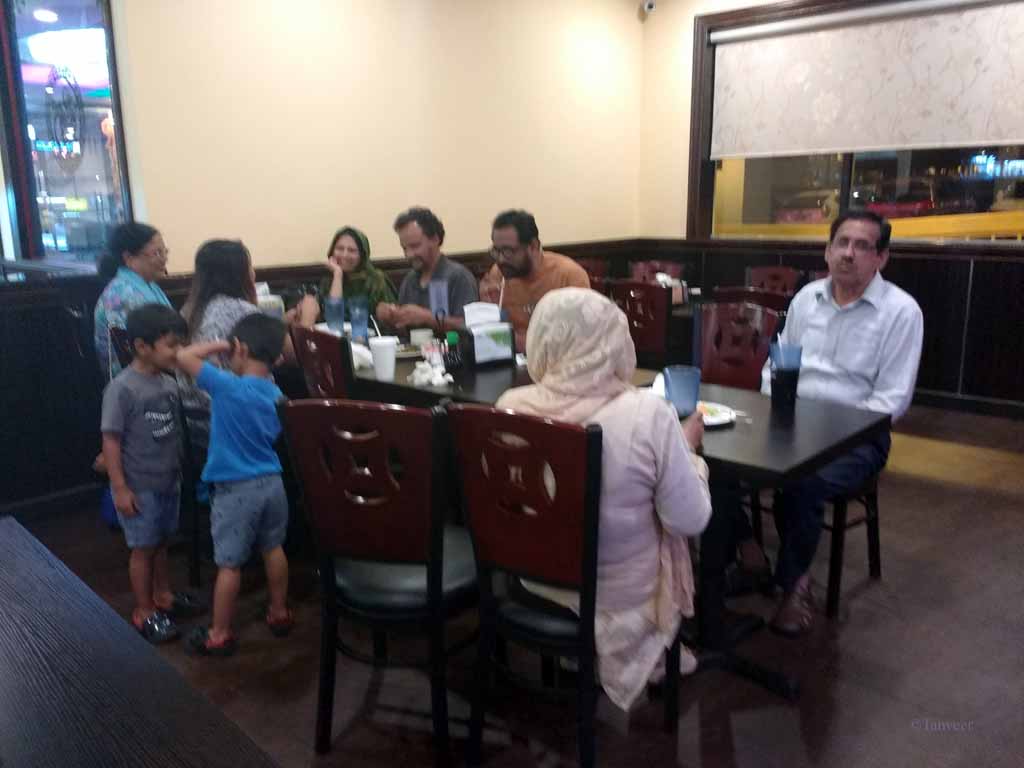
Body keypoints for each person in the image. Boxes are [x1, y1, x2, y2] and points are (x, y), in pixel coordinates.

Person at [496, 287, 711, 711]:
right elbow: (689, 519)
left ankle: (583, 656)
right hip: (617, 596)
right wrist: (688, 454)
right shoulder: (647, 414)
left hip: (531, 577)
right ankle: (640, 655)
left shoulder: (510, 406)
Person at [750, 210, 923, 636]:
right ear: (827, 251)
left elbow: (892, 400)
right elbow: (776, 365)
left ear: (881, 258)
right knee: (711, 456)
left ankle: (794, 584)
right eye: (841, 243)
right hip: (790, 421)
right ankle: (746, 553)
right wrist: (776, 409)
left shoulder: (901, 312)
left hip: (857, 438)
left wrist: (833, 430)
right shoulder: (807, 298)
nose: (849, 254)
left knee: (802, 481)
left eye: (862, 246)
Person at [177, 313, 293, 656]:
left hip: (235, 490)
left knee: (229, 564)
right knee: (274, 548)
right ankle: (279, 611)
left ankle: (219, 633)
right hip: (272, 483)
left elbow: (183, 356)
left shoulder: (226, 385)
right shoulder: (278, 395)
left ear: (239, 348)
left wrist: (220, 344)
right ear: (277, 358)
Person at [100, 304, 205, 644]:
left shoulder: (168, 383)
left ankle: (163, 596)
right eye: (171, 345)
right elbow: (111, 440)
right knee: (143, 548)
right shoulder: (122, 389)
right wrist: (119, 487)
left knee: (161, 541)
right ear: (142, 347)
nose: (178, 352)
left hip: (168, 480)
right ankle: (143, 611)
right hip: (139, 485)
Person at [482, 209, 590, 352]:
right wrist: (487, 310)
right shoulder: (499, 273)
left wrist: (516, 341)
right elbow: (492, 336)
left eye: (508, 251)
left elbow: (579, 338)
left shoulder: (569, 275)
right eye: (496, 251)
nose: (501, 259)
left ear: (533, 246)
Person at [376, 207, 478, 332]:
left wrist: (427, 318)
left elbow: (470, 326)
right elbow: (402, 329)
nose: (409, 254)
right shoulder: (410, 280)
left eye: (415, 246)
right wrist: (390, 316)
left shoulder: (458, 276)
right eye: (404, 248)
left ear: (435, 239)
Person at [94, 222, 172, 381]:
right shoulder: (125, 294)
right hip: (137, 384)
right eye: (157, 253)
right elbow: (151, 351)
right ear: (128, 258)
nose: (164, 259)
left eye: (164, 251)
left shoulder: (146, 284)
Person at [319, 226, 398, 321]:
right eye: (340, 248)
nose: (344, 255)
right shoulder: (329, 279)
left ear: (362, 255)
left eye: (352, 250)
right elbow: (334, 319)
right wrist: (338, 275)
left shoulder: (376, 279)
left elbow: (392, 319)